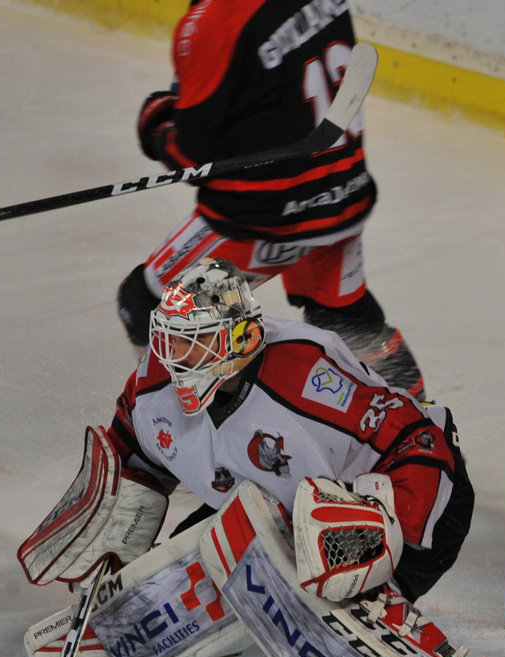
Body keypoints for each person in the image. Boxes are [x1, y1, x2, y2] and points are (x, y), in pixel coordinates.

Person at [19, 259, 505, 657]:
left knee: (302, 583)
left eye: (194, 344)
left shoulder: (306, 374)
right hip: (279, 505)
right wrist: (117, 528)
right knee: (228, 546)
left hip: (412, 499)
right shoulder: (155, 384)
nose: (176, 360)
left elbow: (417, 439)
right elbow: (135, 452)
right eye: (171, 341)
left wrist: (382, 525)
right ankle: (128, 641)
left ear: (236, 340)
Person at [116, 0, 426, 397]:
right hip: (343, 199)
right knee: (349, 320)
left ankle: (207, 436)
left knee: (147, 307)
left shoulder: (211, 21)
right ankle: (423, 434)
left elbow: (192, 156)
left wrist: (157, 126)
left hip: (266, 220)